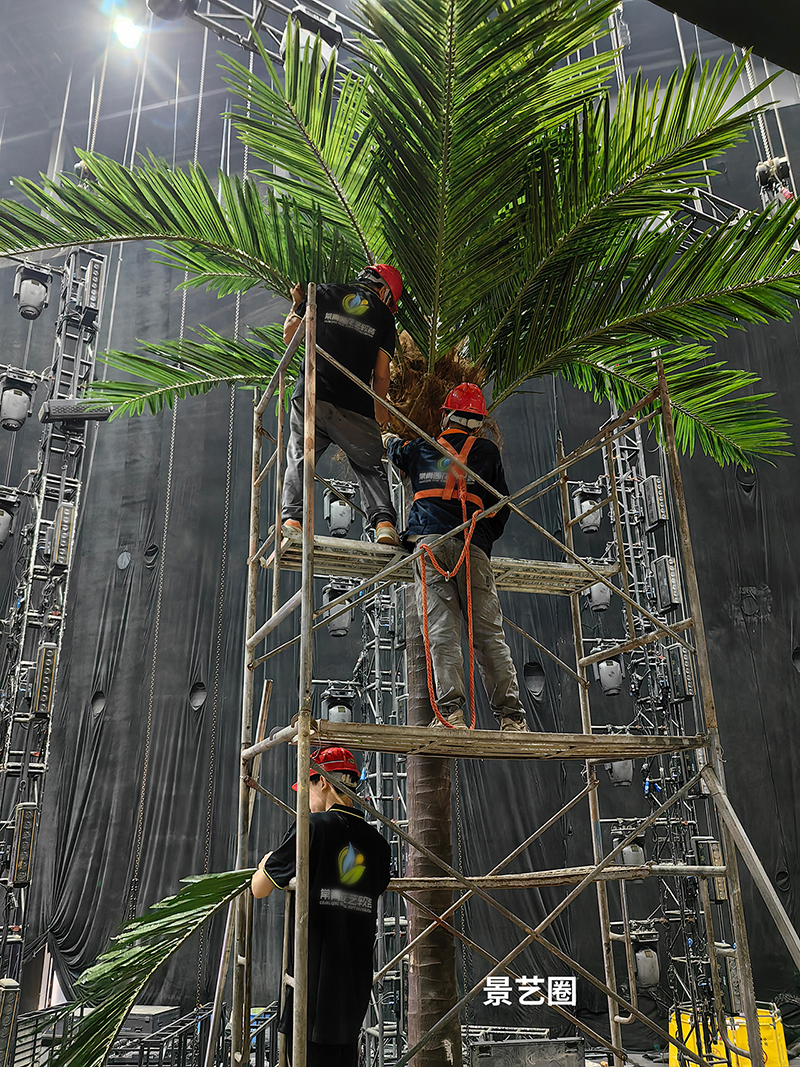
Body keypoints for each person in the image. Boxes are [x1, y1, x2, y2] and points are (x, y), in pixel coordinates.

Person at [385, 383, 530, 732]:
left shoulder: (420, 447)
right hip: (472, 550)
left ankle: (451, 715)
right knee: (488, 635)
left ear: (446, 415)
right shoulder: (488, 452)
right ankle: (511, 719)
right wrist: (479, 539)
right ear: (478, 422)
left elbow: (392, 447)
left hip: (431, 546)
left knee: (441, 632)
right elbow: (501, 507)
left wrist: (389, 433)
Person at [252, 746, 392, 1067]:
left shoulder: (313, 828)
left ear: (324, 783)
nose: (305, 799)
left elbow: (259, 888)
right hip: (354, 992)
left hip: (311, 996)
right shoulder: (379, 845)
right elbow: (377, 888)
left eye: (307, 788)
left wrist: (264, 863)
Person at [281, 265, 403, 545]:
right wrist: (380, 410)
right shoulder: (384, 316)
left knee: (300, 455)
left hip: (312, 395)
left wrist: (297, 304)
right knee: (368, 463)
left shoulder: (321, 293)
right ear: (384, 292)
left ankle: (292, 520)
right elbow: (382, 374)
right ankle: (384, 524)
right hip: (354, 405)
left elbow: (290, 337)